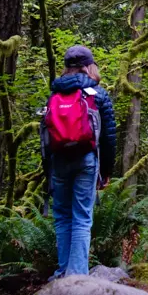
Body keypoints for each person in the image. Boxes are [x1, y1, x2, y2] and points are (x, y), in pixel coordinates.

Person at [43, 45, 116, 277]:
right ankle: (77, 274)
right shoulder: (97, 94)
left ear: (67, 67)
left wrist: (48, 170)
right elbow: (108, 136)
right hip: (87, 159)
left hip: (59, 161)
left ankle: (63, 271)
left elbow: (45, 135)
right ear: (89, 66)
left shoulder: (54, 94)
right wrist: (106, 171)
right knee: (82, 217)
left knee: (62, 216)